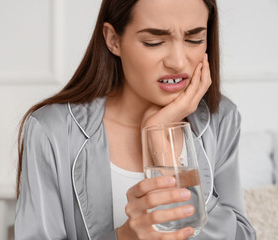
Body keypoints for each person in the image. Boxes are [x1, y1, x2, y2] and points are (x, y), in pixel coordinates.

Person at [15, 0, 256, 239]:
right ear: (113, 40)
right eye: (154, 42)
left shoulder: (221, 119)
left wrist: (163, 142)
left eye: (194, 39)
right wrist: (126, 236)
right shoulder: (52, 131)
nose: (178, 62)